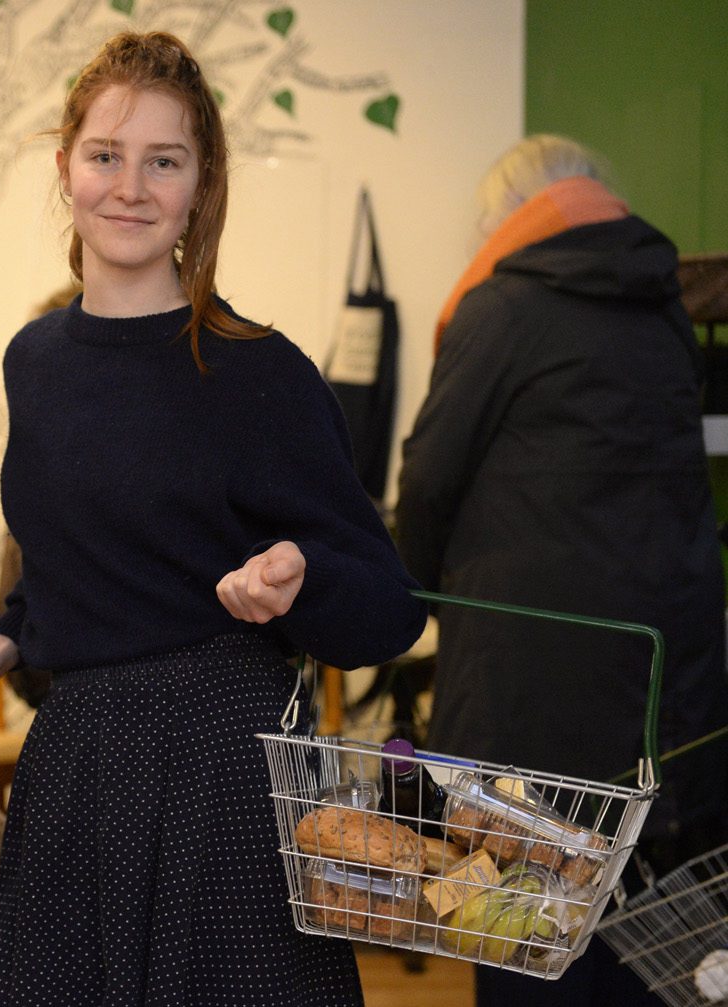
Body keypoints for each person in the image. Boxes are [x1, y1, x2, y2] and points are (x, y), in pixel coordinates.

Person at [0, 31, 427, 1005]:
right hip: (77, 760)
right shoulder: (35, 361)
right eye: (105, 156)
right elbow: (76, 554)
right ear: (65, 166)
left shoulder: (257, 372)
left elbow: (386, 606)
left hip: (225, 770)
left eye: (164, 161)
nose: (129, 186)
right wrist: (9, 637)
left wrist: (300, 572)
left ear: (200, 187)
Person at [396, 134, 728, 1007]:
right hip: (660, 683)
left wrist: (409, 590)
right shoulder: (665, 309)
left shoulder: (500, 307)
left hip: (525, 691)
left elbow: (428, 475)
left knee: (518, 927)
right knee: (650, 931)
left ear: (504, 222)